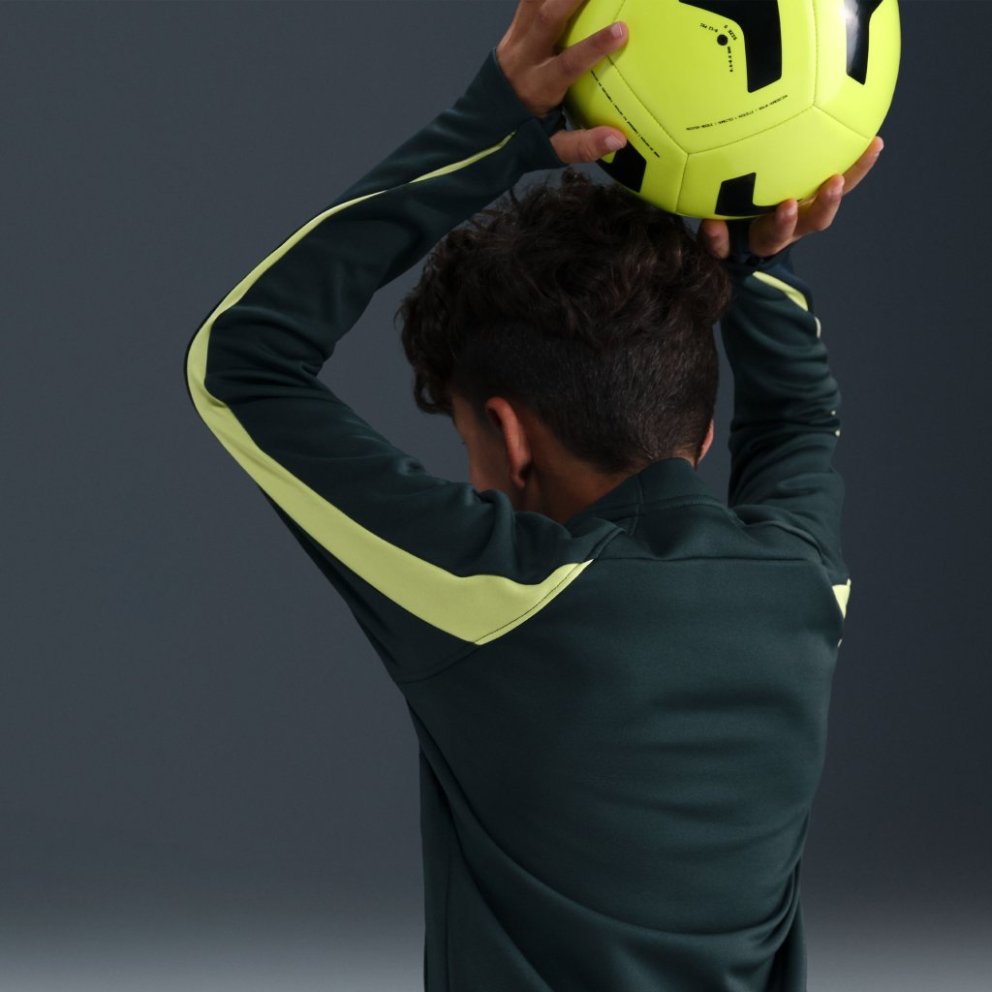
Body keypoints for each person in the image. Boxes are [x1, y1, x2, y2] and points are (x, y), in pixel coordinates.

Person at [183, 1, 882, 988]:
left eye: (470, 444)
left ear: (510, 440)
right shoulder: (800, 583)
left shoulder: (504, 592)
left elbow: (239, 361)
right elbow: (800, 420)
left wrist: (489, 127)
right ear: (703, 435)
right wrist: (756, 246)